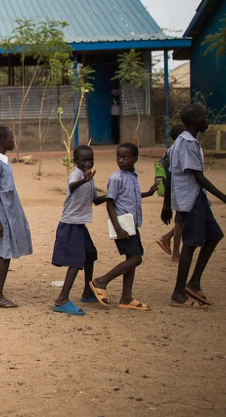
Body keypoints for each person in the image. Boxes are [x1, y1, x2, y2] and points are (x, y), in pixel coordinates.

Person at [164, 104, 226, 308]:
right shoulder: (188, 143)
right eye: (204, 117)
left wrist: (167, 203)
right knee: (190, 245)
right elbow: (198, 177)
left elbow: (171, 172)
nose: (207, 121)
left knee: (214, 235)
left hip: (196, 199)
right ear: (194, 121)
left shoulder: (181, 142)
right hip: (191, 201)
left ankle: (194, 282)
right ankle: (178, 294)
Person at [89, 143, 158, 311]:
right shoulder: (116, 178)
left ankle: (126, 298)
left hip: (132, 224)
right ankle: (101, 281)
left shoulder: (133, 177)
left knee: (131, 260)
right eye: (118, 157)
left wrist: (148, 194)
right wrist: (118, 228)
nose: (121, 160)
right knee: (136, 258)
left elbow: (130, 196)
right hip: (123, 226)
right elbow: (110, 204)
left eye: (125, 158)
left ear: (135, 159)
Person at [0, 126, 31, 308]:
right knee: (4, 253)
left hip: (8, 213)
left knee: (6, 251)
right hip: (1, 214)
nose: (13, 140)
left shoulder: (3, 161)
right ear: (3, 141)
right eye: (11, 138)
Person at [49, 145, 100, 315]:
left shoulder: (89, 177)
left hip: (80, 223)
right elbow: (72, 187)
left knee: (90, 254)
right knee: (76, 260)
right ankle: (62, 299)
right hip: (71, 223)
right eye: (83, 160)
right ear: (75, 161)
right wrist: (84, 179)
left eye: (90, 159)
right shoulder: (77, 175)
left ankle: (87, 291)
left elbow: (96, 200)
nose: (88, 163)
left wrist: (114, 195)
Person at [154, 125, 187, 260]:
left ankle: (168, 237)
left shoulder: (170, 150)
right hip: (179, 190)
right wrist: (166, 203)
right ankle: (176, 253)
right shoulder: (177, 151)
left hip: (178, 190)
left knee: (186, 219)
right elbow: (172, 175)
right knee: (181, 220)